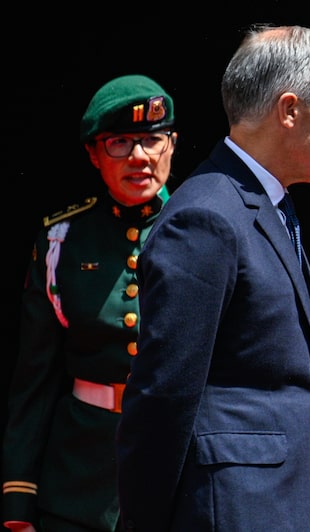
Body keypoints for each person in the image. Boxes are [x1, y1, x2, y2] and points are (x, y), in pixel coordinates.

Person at [115, 24, 310, 531]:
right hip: (235, 511)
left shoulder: (264, 204)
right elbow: (163, 396)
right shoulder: (206, 218)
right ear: (289, 110)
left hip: (280, 504)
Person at [2, 74, 177, 532]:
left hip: (178, 472)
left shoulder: (203, 229)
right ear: (93, 154)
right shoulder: (62, 240)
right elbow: (34, 381)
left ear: (172, 146)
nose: (138, 157)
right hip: (80, 484)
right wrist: (19, 500)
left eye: (151, 140)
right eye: (119, 142)